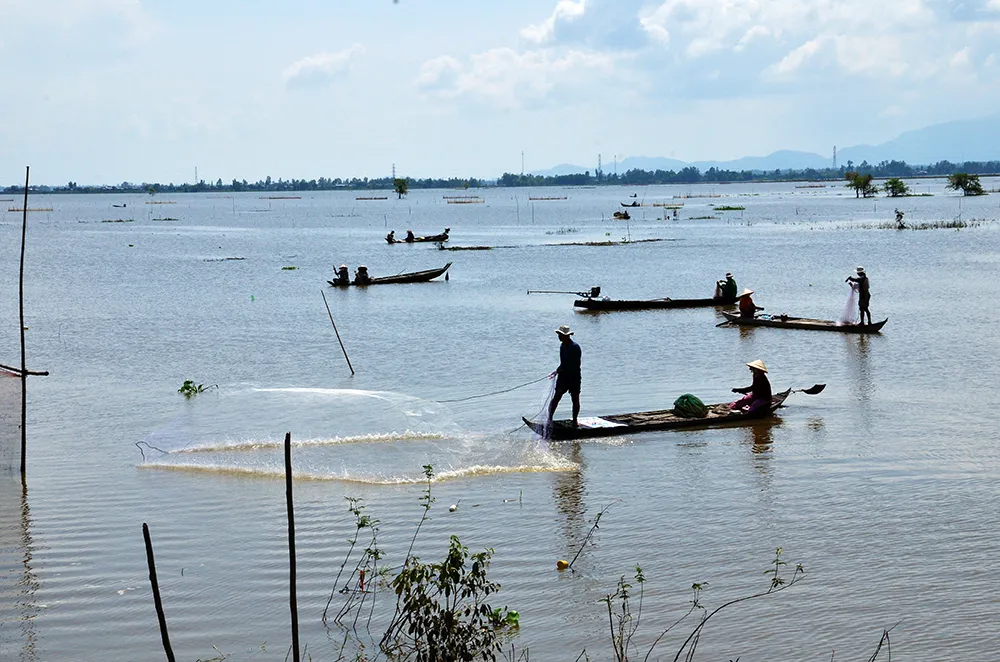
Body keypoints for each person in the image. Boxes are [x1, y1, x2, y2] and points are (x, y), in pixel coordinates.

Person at [548, 325, 581, 427]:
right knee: (556, 397)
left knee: (575, 399)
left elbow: (575, 364)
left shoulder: (575, 347)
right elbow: (563, 362)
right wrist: (557, 370)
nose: (559, 337)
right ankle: (549, 419)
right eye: (559, 335)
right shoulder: (562, 346)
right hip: (563, 377)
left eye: (560, 335)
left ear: (567, 336)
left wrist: (562, 369)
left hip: (574, 377)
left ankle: (575, 421)